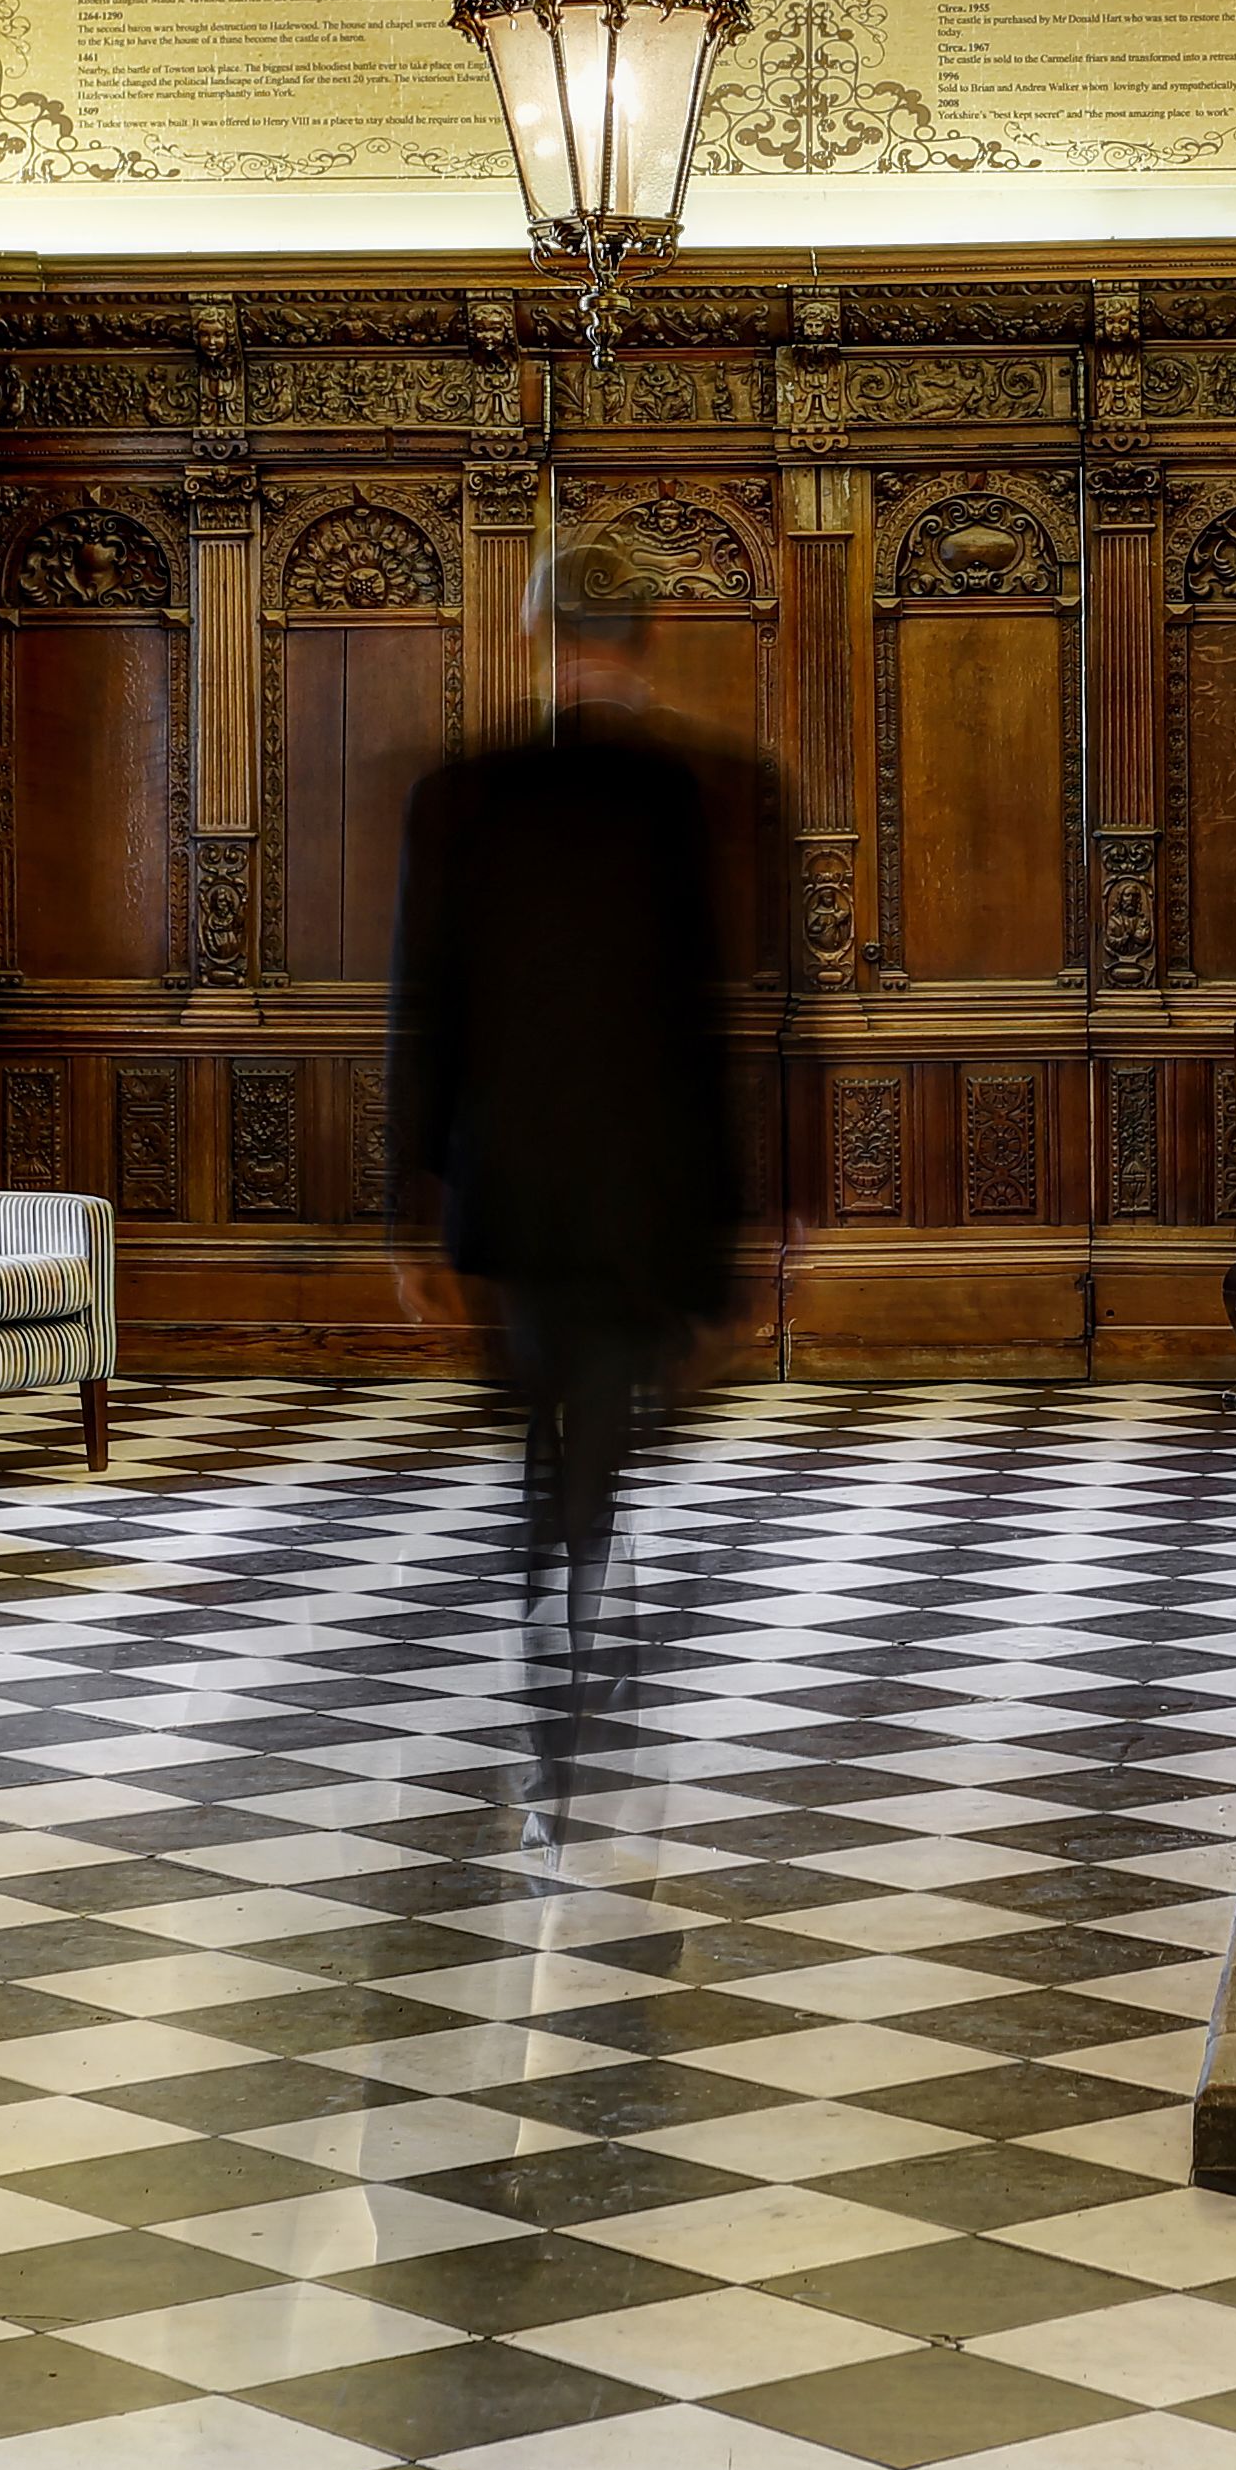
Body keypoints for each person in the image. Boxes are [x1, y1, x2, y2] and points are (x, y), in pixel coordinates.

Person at [387, 536, 762, 1840]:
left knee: (560, 1427)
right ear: (645, 637)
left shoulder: (463, 794)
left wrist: (411, 1201)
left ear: (536, 640)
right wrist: (763, 1218)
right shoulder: (698, 795)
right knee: (594, 1428)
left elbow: (419, 1007)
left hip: (520, 1187)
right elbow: (729, 1019)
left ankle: (563, 1645)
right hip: (650, 1190)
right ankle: (579, 1633)